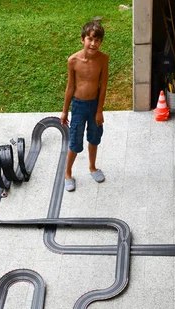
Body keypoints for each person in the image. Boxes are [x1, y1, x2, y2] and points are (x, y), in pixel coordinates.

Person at [60, 21, 109, 192]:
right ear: (82, 39)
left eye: (97, 40)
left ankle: (92, 167)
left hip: (94, 105)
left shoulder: (103, 59)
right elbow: (70, 87)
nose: (93, 44)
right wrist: (65, 111)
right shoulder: (73, 61)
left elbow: (103, 86)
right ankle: (67, 173)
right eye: (90, 39)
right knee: (75, 141)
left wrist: (99, 110)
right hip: (79, 106)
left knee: (94, 138)